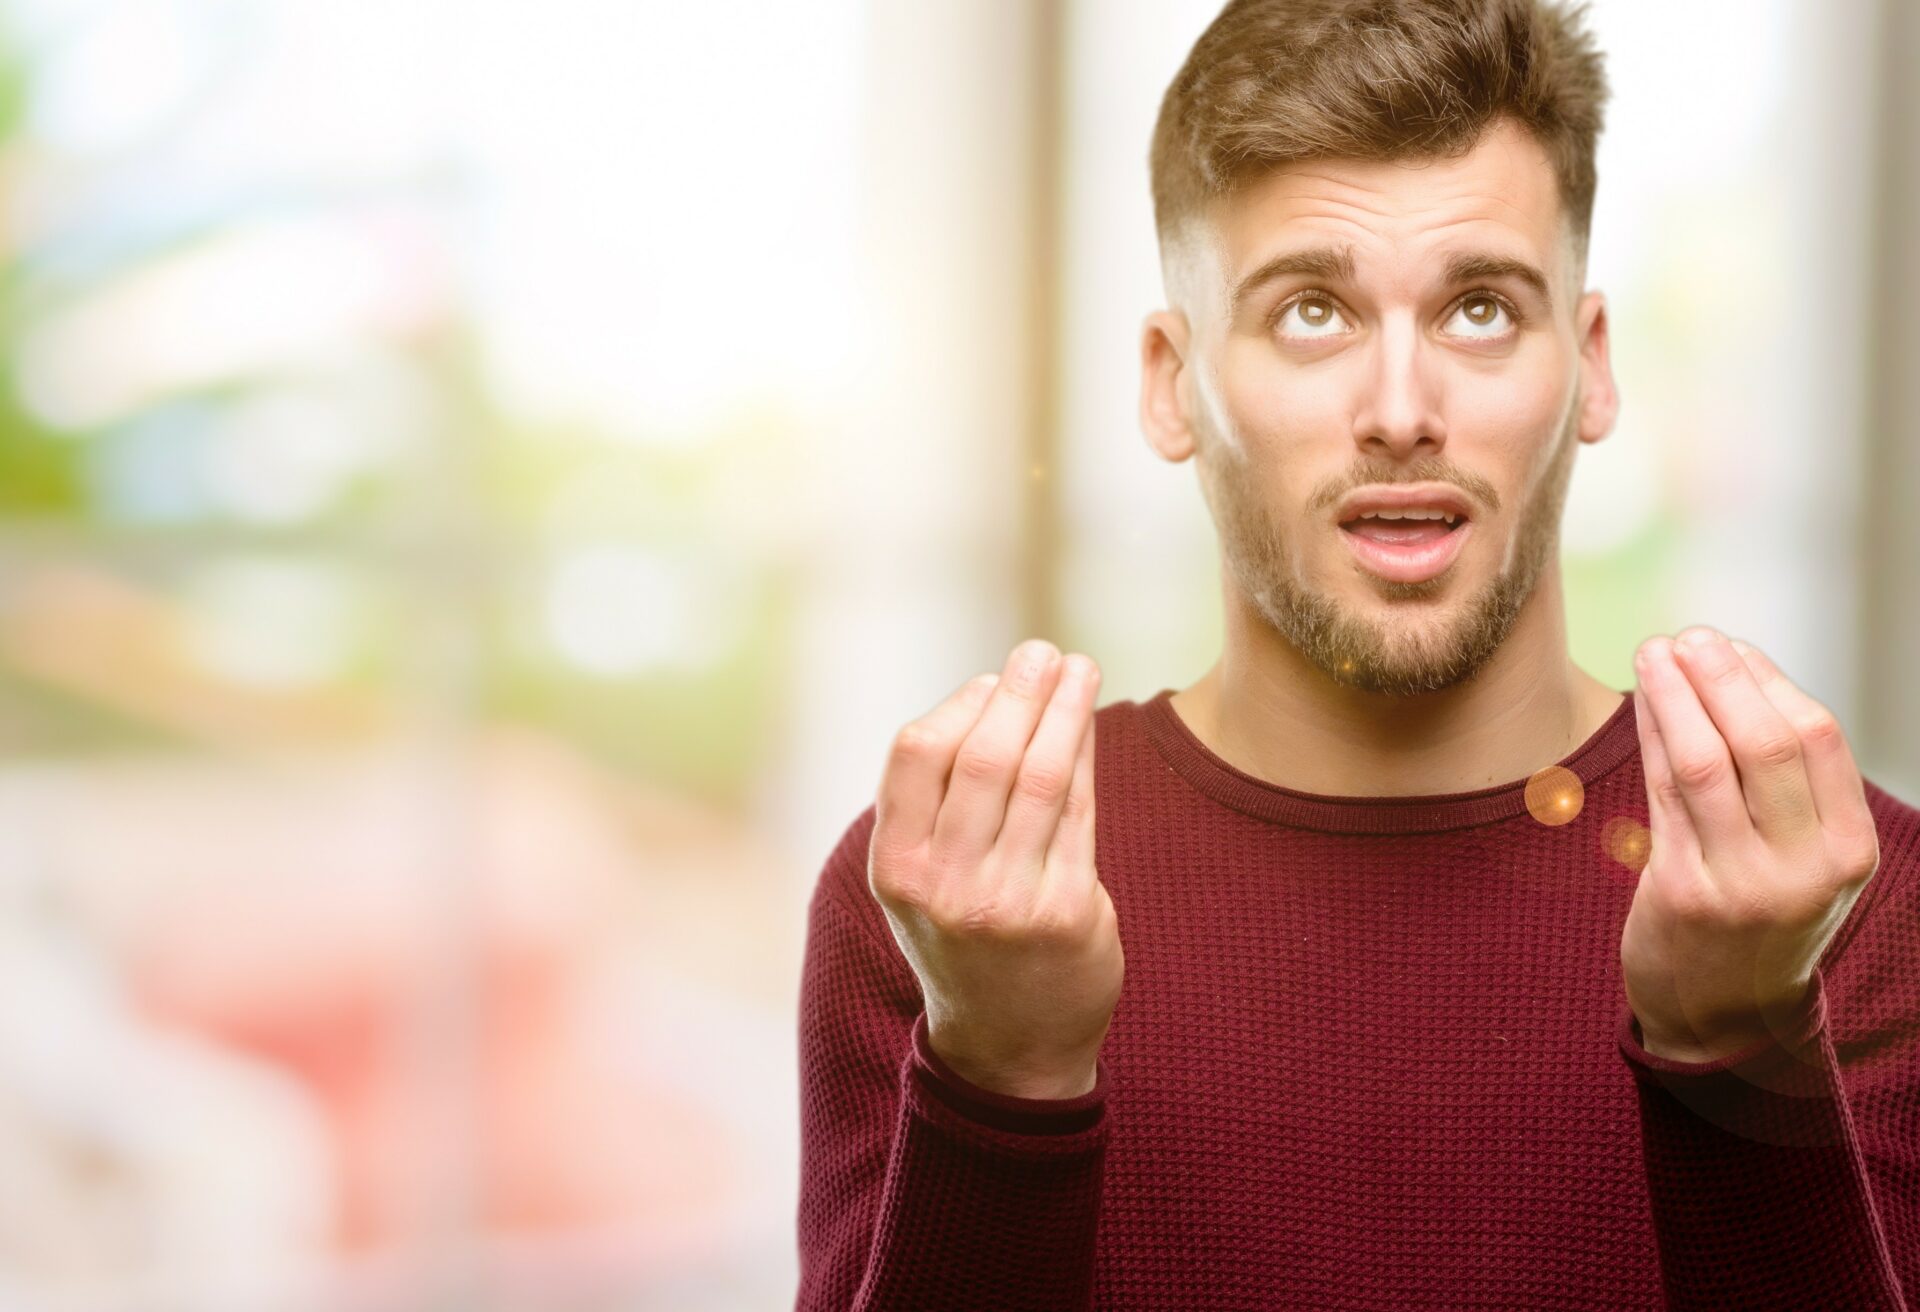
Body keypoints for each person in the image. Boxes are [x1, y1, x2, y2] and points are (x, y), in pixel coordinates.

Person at [794, 1, 1920, 1308]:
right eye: (1313, 311)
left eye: (1484, 309)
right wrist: (998, 1074)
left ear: (1592, 364)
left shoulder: (1854, 902)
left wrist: (1743, 1045)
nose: (1401, 413)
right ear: (1172, 380)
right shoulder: (948, 904)